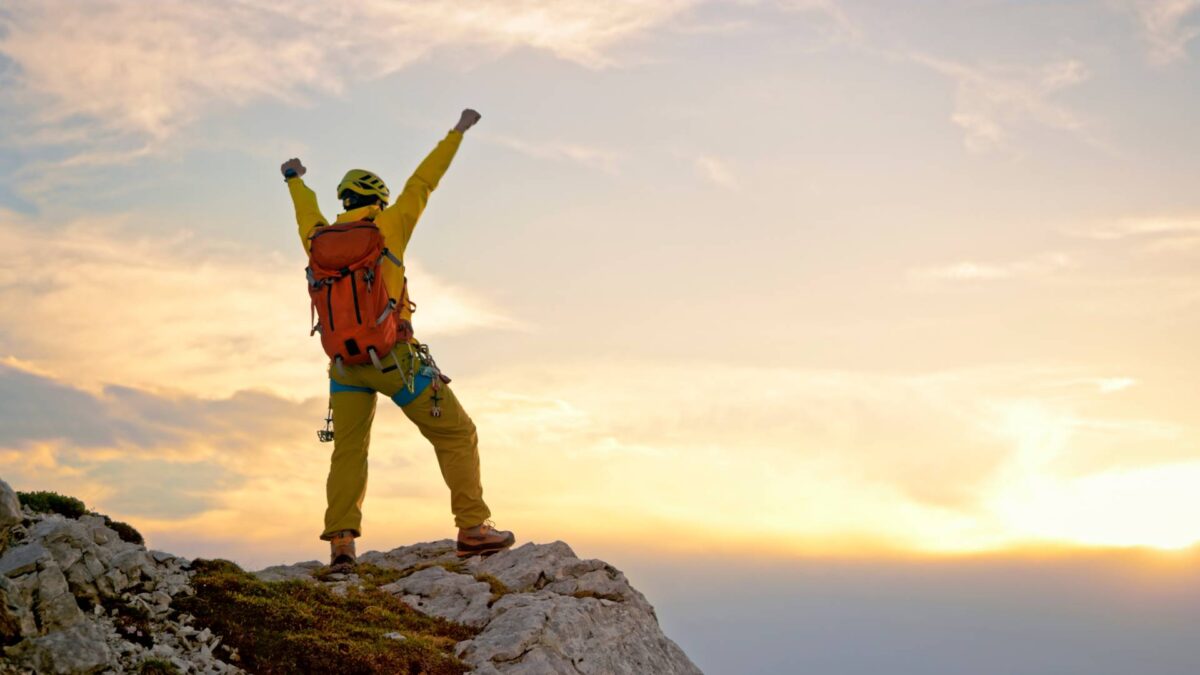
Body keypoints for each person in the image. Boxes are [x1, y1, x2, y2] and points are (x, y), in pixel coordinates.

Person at [280, 108, 514, 570]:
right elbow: (424, 181)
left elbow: (303, 209)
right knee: (456, 432)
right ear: (379, 200)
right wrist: (457, 133)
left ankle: (342, 546)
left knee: (349, 450)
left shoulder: (318, 237)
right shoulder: (389, 228)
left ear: (344, 200)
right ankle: (472, 529)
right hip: (394, 357)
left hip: (343, 364)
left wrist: (293, 179)